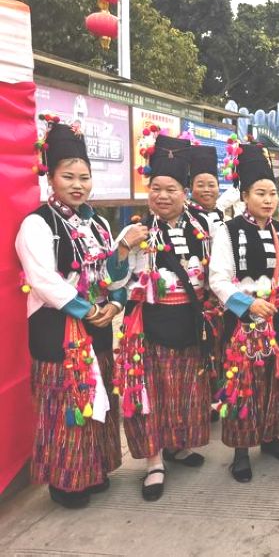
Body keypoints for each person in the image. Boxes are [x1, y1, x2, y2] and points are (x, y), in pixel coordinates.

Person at [15, 121, 147, 508]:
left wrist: (116, 302)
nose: (77, 185)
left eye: (84, 177)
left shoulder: (98, 223)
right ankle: (66, 481)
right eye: (68, 177)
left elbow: (109, 273)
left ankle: (94, 469)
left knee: (98, 395)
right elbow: (43, 279)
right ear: (50, 178)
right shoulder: (37, 223)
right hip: (58, 328)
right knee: (66, 403)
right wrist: (88, 308)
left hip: (98, 324)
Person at [115, 133, 213, 501]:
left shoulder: (204, 228)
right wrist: (123, 248)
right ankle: (154, 462)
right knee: (150, 395)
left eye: (171, 189)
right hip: (149, 326)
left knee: (185, 391)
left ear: (185, 193)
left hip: (189, 321)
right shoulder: (135, 231)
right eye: (156, 188)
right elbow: (114, 281)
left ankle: (177, 446)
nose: (162, 196)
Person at [209, 142, 279, 482]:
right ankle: (241, 450)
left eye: (272, 193)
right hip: (244, 322)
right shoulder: (228, 231)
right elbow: (217, 279)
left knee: (278, 381)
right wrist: (247, 304)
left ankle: (270, 437)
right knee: (245, 384)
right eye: (260, 193)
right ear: (244, 195)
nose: (268, 200)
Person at [186, 144, 226, 422]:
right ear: (190, 188)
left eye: (211, 184)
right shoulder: (188, 217)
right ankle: (204, 401)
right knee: (202, 348)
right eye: (200, 184)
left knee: (218, 347)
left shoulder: (222, 215)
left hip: (219, 294)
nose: (207, 190)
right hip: (199, 294)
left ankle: (217, 397)